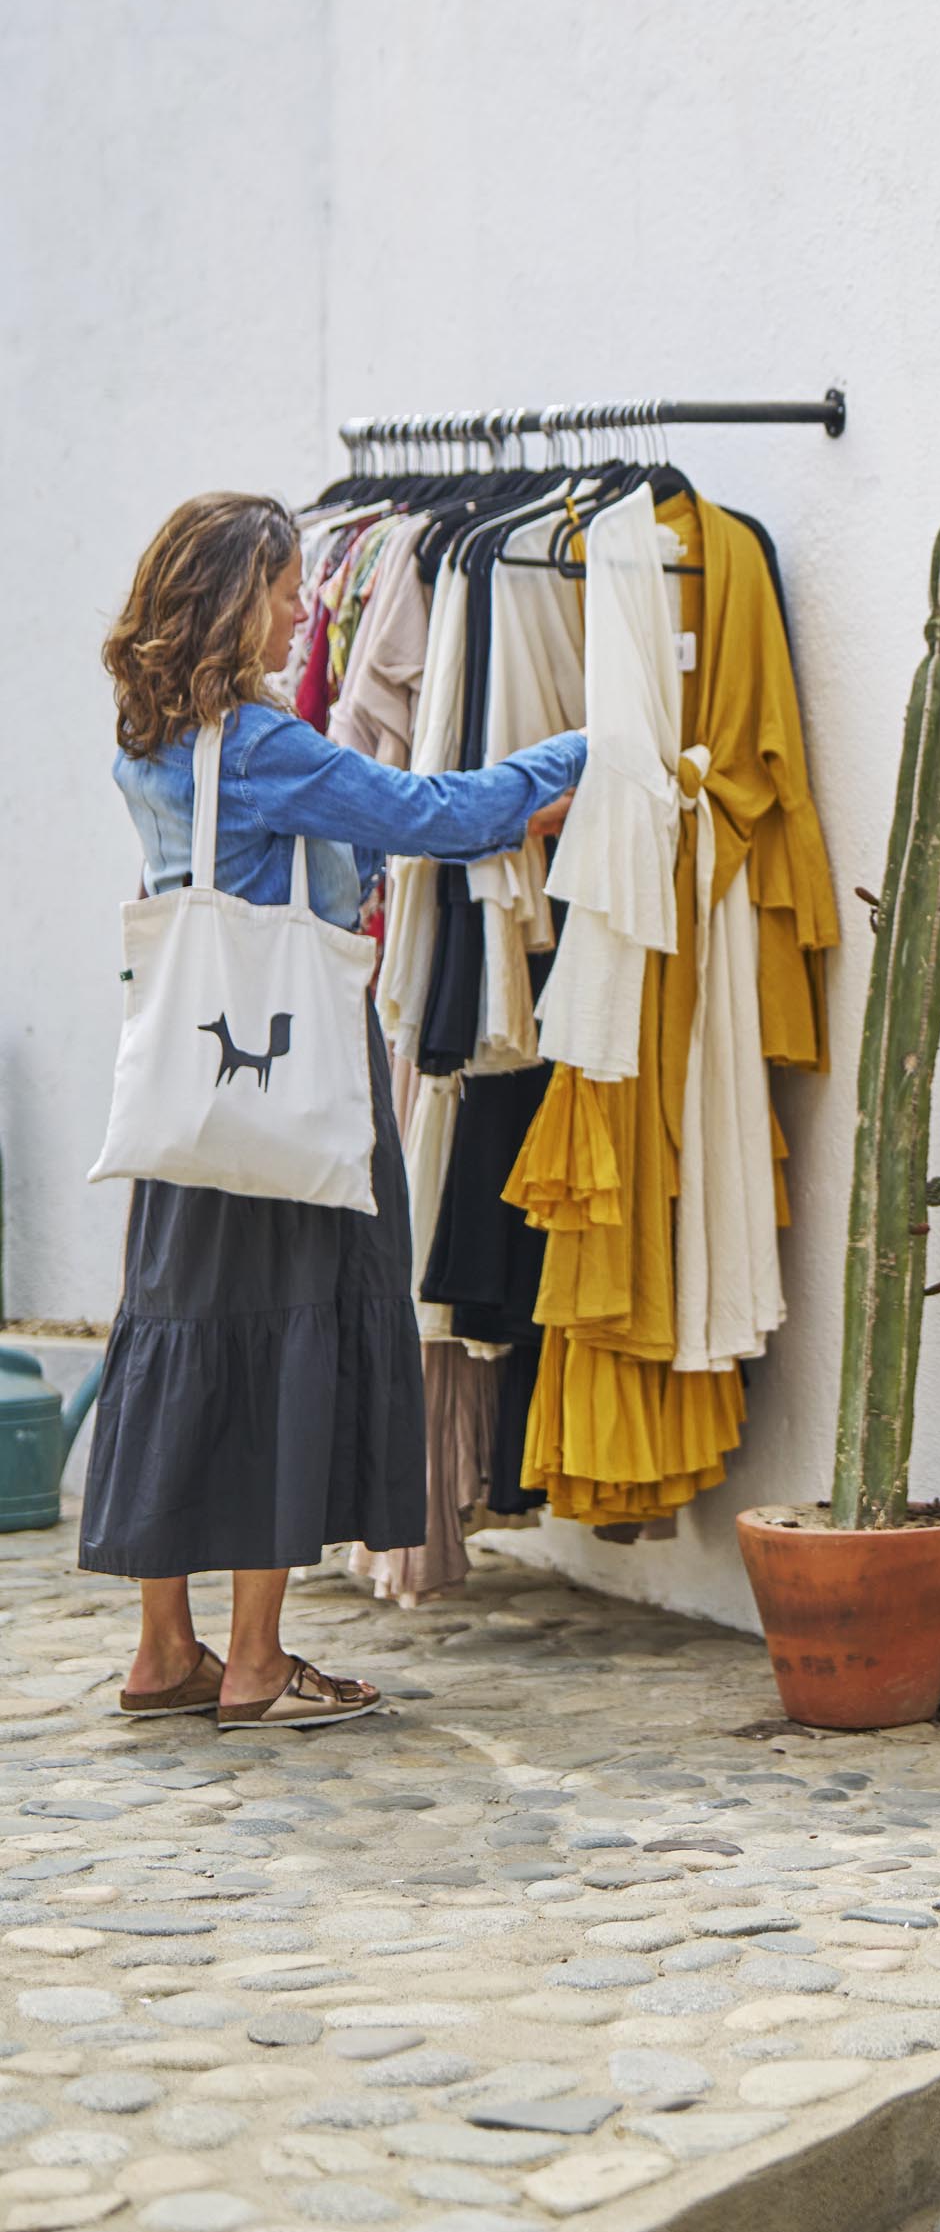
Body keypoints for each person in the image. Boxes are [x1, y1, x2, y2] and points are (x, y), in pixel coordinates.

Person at [84, 491, 586, 1729]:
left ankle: (165, 1651)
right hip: (290, 1082)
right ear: (229, 601)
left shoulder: (149, 741)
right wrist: (585, 753)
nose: (304, 605)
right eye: (283, 586)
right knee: (283, 1337)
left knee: (176, 1334)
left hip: (187, 1096)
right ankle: (256, 1663)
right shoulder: (262, 749)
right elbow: (438, 817)